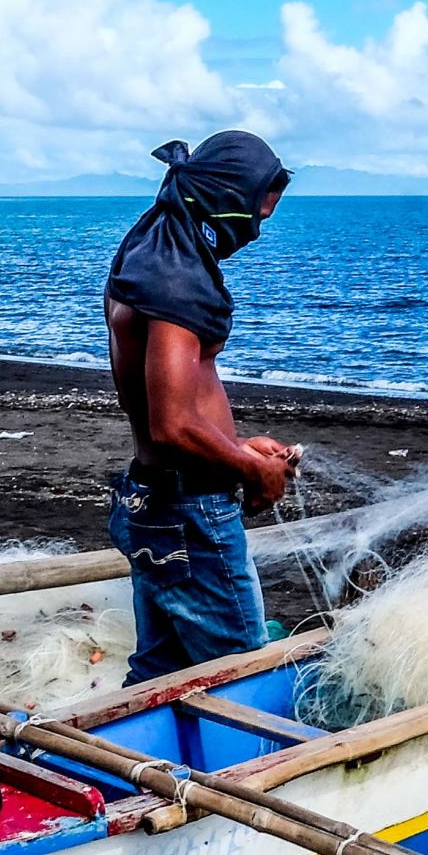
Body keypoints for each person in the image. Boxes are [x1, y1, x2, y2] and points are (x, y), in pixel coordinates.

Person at [104, 130, 300, 682]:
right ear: (229, 200)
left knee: (160, 674)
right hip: (189, 515)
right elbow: (171, 425)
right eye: (255, 217)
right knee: (238, 675)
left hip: (153, 498)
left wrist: (233, 446)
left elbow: (160, 406)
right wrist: (252, 469)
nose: (255, 235)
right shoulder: (177, 281)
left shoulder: (147, 249)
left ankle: (125, 766)